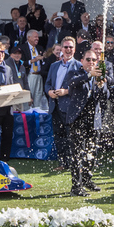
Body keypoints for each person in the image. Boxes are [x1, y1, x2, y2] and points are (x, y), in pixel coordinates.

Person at [59, 49, 103, 196]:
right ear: (82, 61)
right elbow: (72, 83)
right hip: (77, 119)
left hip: (93, 119)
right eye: (88, 59)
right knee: (77, 154)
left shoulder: (99, 75)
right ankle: (76, 186)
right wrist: (89, 75)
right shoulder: (75, 72)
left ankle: (87, 179)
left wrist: (101, 86)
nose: (91, 62)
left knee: (92, 152)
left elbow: (107, 95)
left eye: (94, 60)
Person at [46, 38, 85, 168]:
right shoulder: (53, 66)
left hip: (69, 106)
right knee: (58, 136)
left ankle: (72, 163)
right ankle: (63, 162)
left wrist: (67, 91)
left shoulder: (79, 65)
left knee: (71, 136)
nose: (68, 50)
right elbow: (47, 84)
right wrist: (49, 92)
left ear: (75, 49)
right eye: (66, 47)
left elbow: (82, 89)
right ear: (61, 49)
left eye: (71, 47)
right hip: (55, 105)